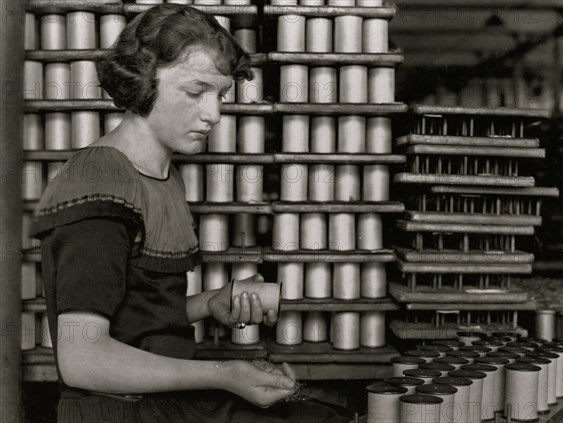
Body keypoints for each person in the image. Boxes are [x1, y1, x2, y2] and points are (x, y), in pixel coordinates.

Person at [32, 4, 351, 422]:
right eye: (195, 91)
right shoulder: (99, 183)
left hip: (162, 403)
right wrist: (225, 374)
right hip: (117, 411)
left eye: (219, 95)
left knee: (325, 411)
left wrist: (208, 303)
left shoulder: (161, 176)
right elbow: (83, 360)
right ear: (142, 80)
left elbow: (138, 318)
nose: (213, 114)